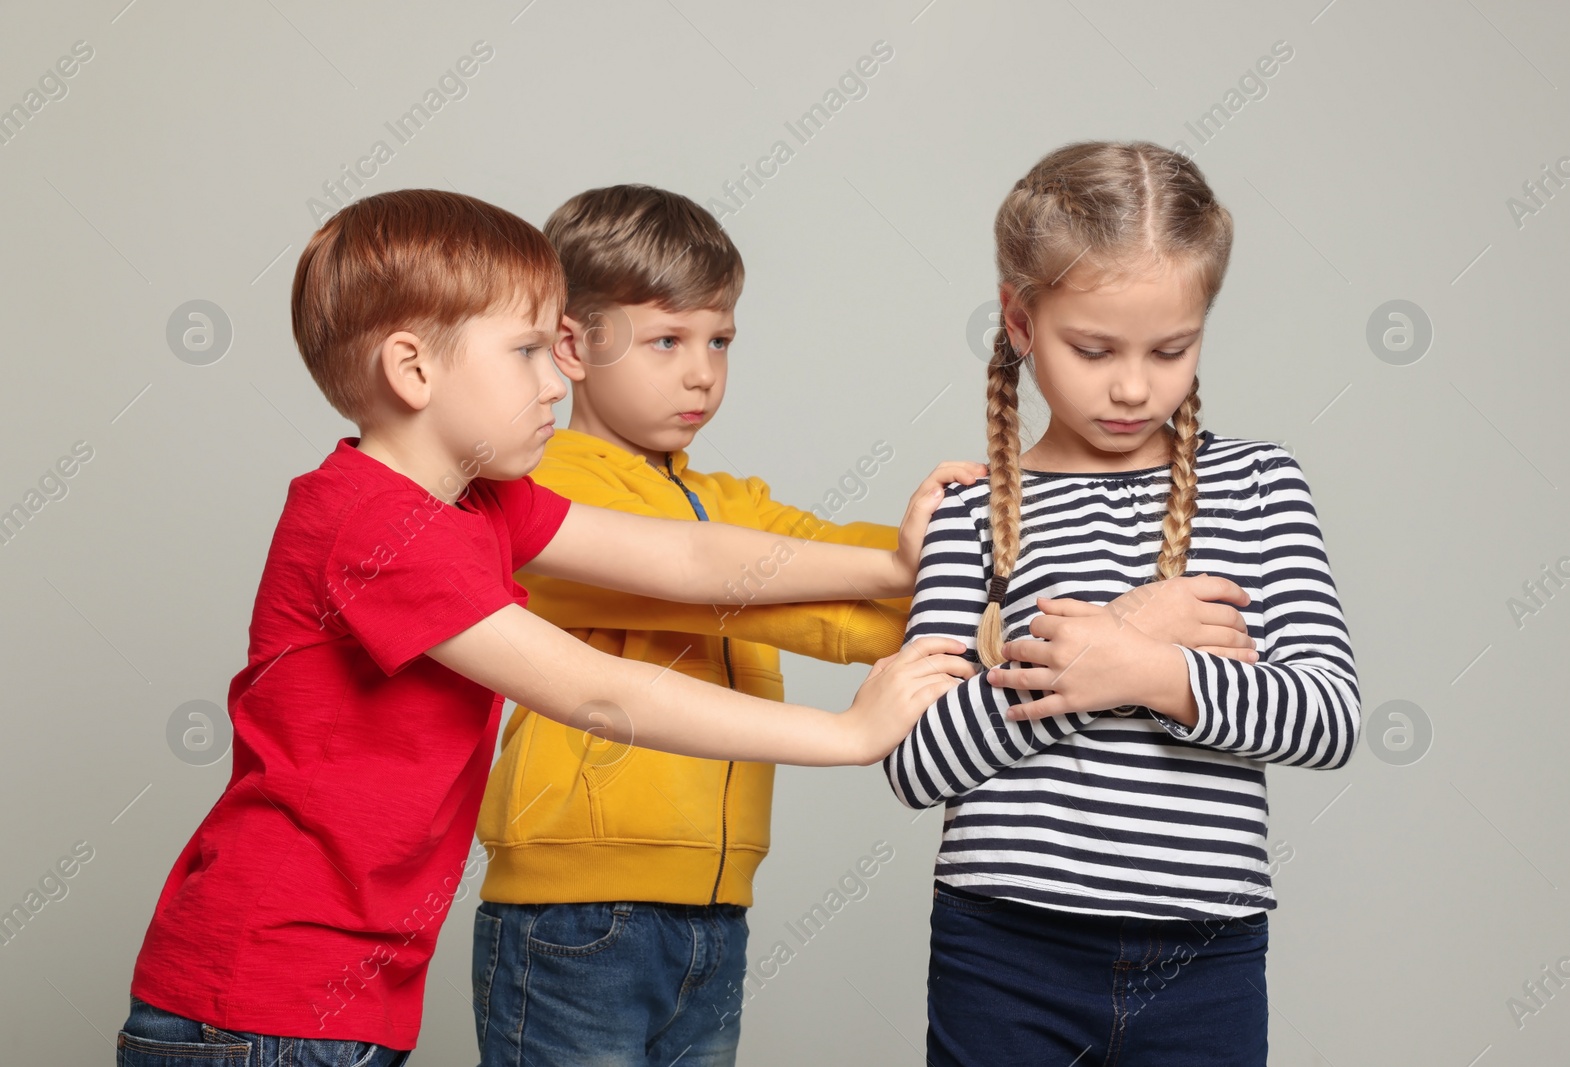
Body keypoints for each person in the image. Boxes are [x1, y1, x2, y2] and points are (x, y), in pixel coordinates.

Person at [115, 188, 981, 1067]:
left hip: (342, 998)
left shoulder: (480, 504)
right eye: (527, 349)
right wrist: (847, 732)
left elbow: (684, 560)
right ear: (412, 369)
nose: (558, 376)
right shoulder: (373, 526)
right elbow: (596, 692)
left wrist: (893, 561)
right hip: (261, 1000)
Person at [883, 140, 1362, 1067]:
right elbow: (913, 760)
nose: (1135, 385)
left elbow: (1329, 717)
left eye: (1171, 348)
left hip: (1204, 954)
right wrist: (1110, 649)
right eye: (1093, 349)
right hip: (1001, 946)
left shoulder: (1261, 487)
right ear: (1020, 322)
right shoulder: (970, 512)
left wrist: (1154, 672)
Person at [468, 184, 920, 1066]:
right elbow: (721, 582)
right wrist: (901, 574)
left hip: (714, 907)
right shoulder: (543, 487)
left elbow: (834, 585)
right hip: (576, 907)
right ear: (575, 342)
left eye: (720, 341)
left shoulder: (728, 502)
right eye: (668, 339)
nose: (702, 371)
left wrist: (1008, 585)